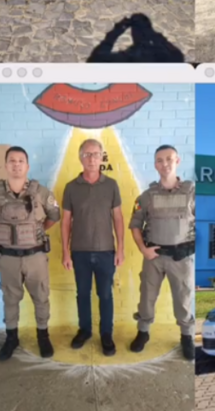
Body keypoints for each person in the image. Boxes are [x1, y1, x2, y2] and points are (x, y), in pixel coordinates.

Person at [128, 145, 196, 361]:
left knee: (183, 299)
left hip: (182, 257)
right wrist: (143, 250)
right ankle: (143, 332)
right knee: (147, 298)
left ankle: (186, 337)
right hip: (154, 257)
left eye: (169, 159)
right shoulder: (146, 196)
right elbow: (135, 225)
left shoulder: (193, 192)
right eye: (159, 160)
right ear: (155, 164)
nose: (164, 163)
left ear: (177, 161)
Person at [60, 139, 125, 356]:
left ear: (102, 157)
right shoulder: (71, 188)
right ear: (80, 158)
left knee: (105, 295)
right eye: (87, 154)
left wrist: (121, 248)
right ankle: (85, 330)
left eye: (96, 154)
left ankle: (106, 334)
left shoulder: (111, 185)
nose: (92, 158)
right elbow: (66, 221)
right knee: (83, 294)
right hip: (79, 252)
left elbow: (118, 218)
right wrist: (66, 252)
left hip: (106, 252)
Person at [0, 147, 61, 360]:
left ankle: (43, 336)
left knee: (41, 297)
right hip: (7, 257)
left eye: (20, 161)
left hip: (35, 257)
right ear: (6, 165)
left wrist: (38, 231)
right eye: (12, 161)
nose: (16, 164)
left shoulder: (41, 192)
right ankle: (12, 338)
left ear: (27, 166)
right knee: (9, 299)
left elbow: (55, 214)